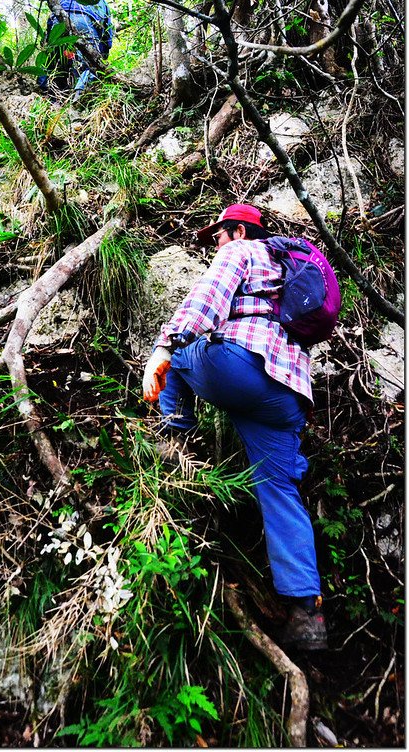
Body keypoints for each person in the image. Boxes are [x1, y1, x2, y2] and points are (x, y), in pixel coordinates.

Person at [142, 203, 328, 651]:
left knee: (177, 350)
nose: (215, 245)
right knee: (279, 488)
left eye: (218, 236)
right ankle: (308, 614)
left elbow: (204, 301)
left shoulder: (241, 251)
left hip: (245, 369)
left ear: (238, 230)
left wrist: (164, 350)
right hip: (287, 396)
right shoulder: (286, 272)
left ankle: (174, 434)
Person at [38, 0, 114, 101]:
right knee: (89, 65)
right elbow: (107, 35)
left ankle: (46, 94)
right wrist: (101, 57)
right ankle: (79, 96)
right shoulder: (101, 0)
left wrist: (49, 41)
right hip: (85, 22)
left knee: (54, 61)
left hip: (59, 22)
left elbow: (50, 24)